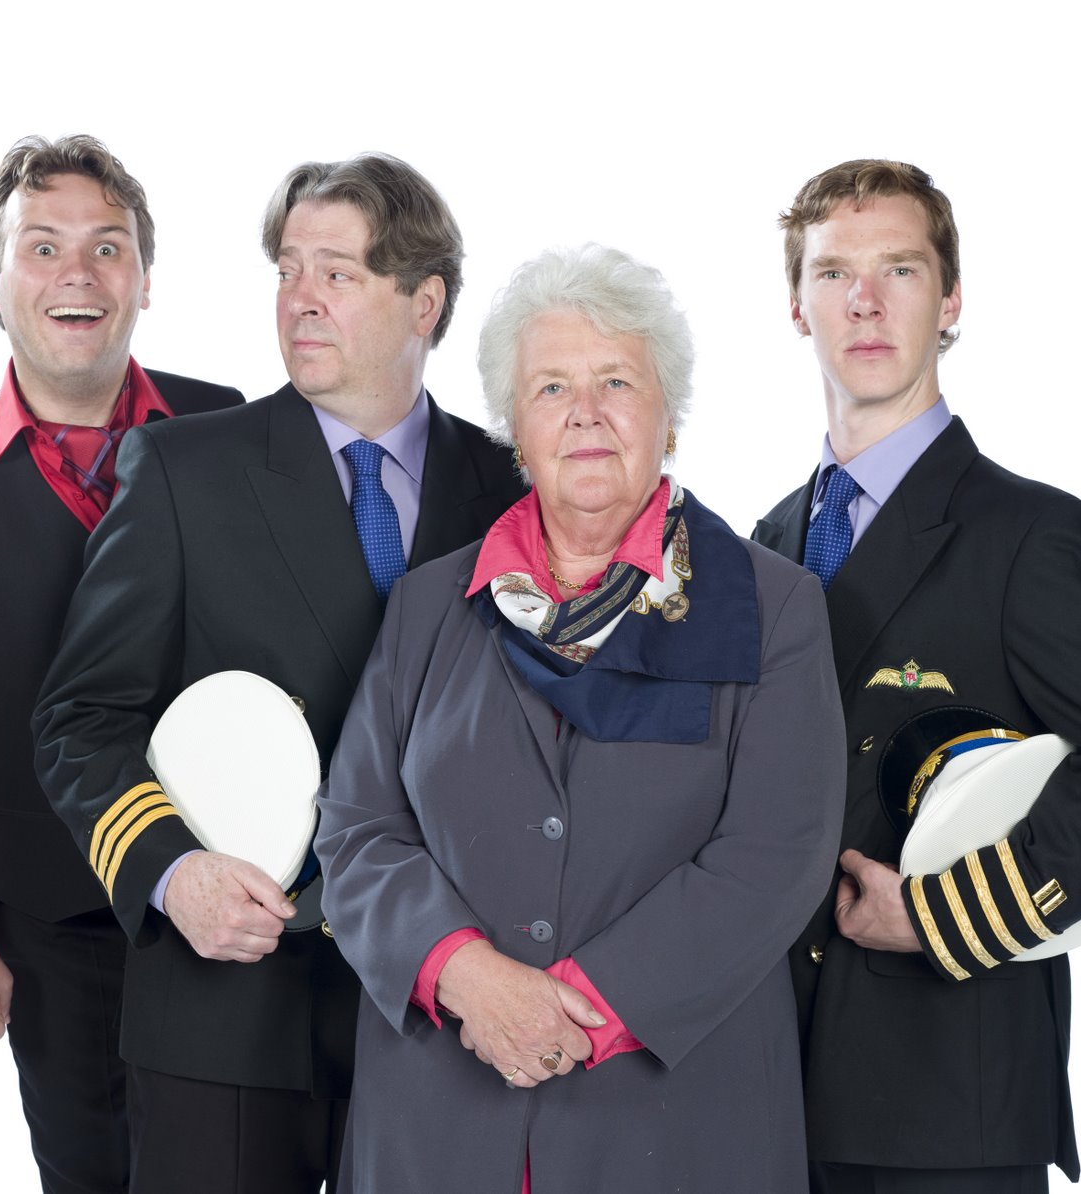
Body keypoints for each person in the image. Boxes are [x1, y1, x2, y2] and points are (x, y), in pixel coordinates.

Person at [32, 152, 526, 1194]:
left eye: (337, 274)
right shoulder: (183, 470)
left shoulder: (508, 487)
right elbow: (80, 720)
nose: (299, 300)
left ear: (424, 302)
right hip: (226, 1018)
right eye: (287, 269)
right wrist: (172, 871)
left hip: (436, 1017)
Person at [314, 244, 846, 1193]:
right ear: (516, 428)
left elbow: (777, 853)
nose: (587, 412)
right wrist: (464, 977)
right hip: (439, 1124)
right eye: (552, 386)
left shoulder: (773, 607)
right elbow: (357, 831)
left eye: (618, 381)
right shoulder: (432, 604)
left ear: (668, 416)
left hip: (677, 1131)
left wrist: (577, 1013)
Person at [752, 159, 1081, 1193]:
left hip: (947, 1101)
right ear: (795, 307)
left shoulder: (1033, 536)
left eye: (899, 271)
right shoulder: (761, 548)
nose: (864, 302)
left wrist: (938, 915)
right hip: (774, 1094)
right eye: (833, 274)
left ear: (949, 298)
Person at [0, 134, 244, 1194]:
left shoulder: (238, 432)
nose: (78, 273)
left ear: (144, 283)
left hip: (241, 908)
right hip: (53, 933)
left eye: (108, 247)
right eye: (43, 247)